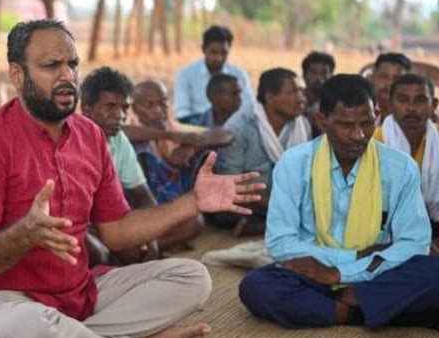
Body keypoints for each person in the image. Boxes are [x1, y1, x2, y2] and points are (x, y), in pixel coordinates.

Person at [0, 19, 264, 338]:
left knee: (192, 278)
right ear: (17, 75)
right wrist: (25, 235)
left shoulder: (90, 135)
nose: (67, 76)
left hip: (77, 296)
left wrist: (193, 202)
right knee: (34, 332)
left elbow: (116, 232)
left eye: (73, 64)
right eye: (51, 66)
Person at [239, 75, 439, 330]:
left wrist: (341, 274)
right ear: (322, 121)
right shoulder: (293, 163)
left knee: (433, 270)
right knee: (256, 286)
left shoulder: (401, 168)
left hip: (378, 273)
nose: (358, 135)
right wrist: (354, 256)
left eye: (366, 123)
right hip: (314, 275)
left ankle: (334, 306)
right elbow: (280, 242)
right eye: (345, 125)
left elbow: (414, 244)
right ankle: (360, 312)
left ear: (376, 114)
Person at [209, 68, 310, 235]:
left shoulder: (301, 124)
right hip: (253, 201)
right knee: (224, 204)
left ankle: (259, 227)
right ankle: (276, 224)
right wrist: (274, 204)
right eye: (293, 92)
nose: (301, 99)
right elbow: (232, 179)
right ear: (270, 98)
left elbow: (305, 175)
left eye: (301, 92)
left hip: (284, 200)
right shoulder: (239, 127)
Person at [129, 79, 230, 244]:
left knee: (194, 222)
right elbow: (121, 132)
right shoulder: (133, 136)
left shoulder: (173, 128)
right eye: (149, 105)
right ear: (134, 109)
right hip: (144, 212)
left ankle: (146, 248)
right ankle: (138, 248)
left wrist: (192, 147)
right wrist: (167, 136)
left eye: (163, 103)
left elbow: (225, 134)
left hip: (171, 207)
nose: (158, 110)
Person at [79, 67, 160, 265]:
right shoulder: (72, 140)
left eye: (124, 108)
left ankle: (119, 256)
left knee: (190, 223)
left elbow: (144, 196)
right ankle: (113, 256)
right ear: (86, 108)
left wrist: (149, 235)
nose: (120, 115)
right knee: (99, 252)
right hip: (80, 226)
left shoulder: (119, 139)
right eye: (111, 106)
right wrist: (121, 238)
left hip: (113, 223)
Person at [373, 73, 439, 240]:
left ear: (434, 104)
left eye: (420, 100)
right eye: (403, 100)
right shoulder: (374, 142)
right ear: (390, 104)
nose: (411, 108)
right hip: (387, 229)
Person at [173, 25, 254, 125]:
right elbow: (182, 113)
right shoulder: (185, 74)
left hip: (234, 127)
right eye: (214, 53)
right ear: (203, 49)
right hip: (197, 128)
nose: (219, 58)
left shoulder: (239, 75)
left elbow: (249, 107)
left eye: (223, 53)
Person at [369, 52, 412, 124]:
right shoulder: (358, 113)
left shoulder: (413, 118)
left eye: (397, 78)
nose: (390, 83)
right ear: (372, 78)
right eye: (383, 76)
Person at [301, 51, 335, 137]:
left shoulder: (334, 105)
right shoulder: (295, 101)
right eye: (313, 72)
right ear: (304, 75)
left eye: (324, 73)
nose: (318, 78)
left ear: (331, 76)